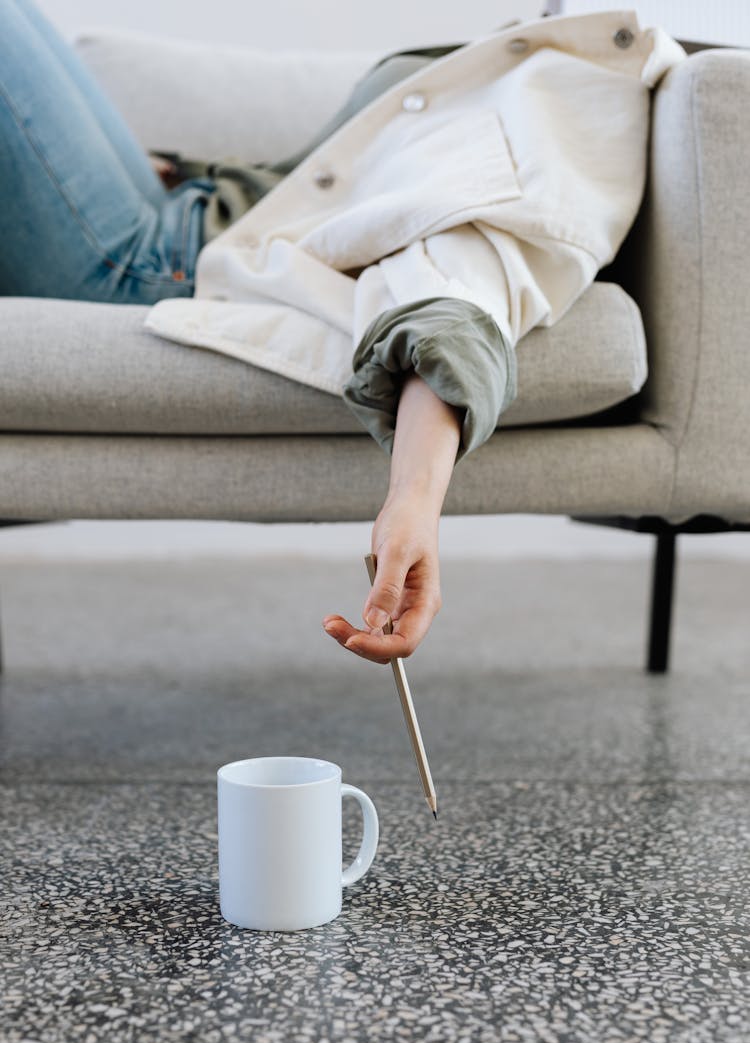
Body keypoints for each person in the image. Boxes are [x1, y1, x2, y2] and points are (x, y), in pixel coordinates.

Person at [0, 1, 683, 665]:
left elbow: (455, 309)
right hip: (193, 206)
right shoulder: (568, 63)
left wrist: (412, 505)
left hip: (152, 261)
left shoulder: (569, 151)